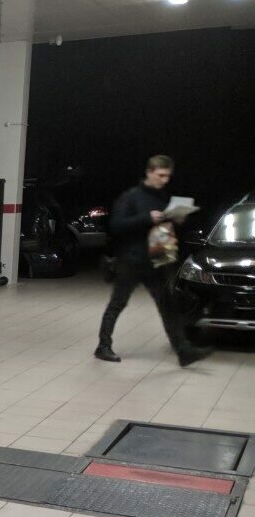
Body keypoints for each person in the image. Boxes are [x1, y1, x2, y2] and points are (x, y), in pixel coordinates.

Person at [95, 155, 210, 366]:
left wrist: (177, 219)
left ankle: (183, 350)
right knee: (118, 303)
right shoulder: (131, 197)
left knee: (167, 305)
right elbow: (116, 225)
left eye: (167, 176)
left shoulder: (162, 198)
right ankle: (103, 346)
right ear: (149, 172)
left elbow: (164, 225)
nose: (164, 180)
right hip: (131, 260)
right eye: (160, 175)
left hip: (156, 258)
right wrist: (147, 218)